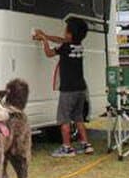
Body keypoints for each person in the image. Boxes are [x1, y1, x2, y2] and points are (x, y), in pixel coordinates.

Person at [32, 18, 94, 157]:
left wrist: (44, 41)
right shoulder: (79, 45)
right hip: (80, 89)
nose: (64, 32)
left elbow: (49, 53)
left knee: (64, 118)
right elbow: (62, 40)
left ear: (70, 34)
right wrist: (46, 35)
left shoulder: (65, 47)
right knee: (78, 118)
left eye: (66, 30)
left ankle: (67, 147)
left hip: (68, 90)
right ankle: (86, 145)